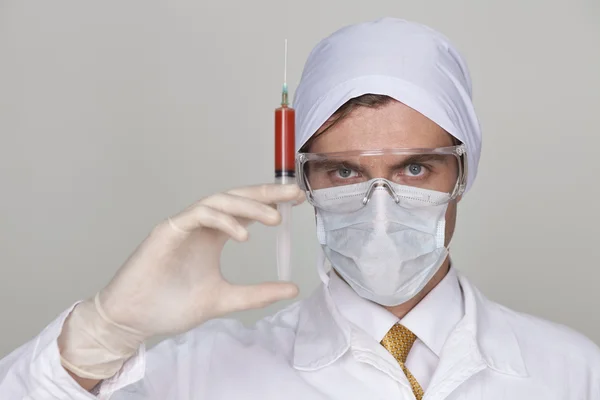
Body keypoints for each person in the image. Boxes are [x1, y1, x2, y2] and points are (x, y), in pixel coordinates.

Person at [1, 17, 599, 400]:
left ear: (463, 173)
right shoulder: (200, 376)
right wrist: (100, 335)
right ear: (304, 182)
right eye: (344, 171)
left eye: (415, 168)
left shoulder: (574, 373)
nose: (380, 206)